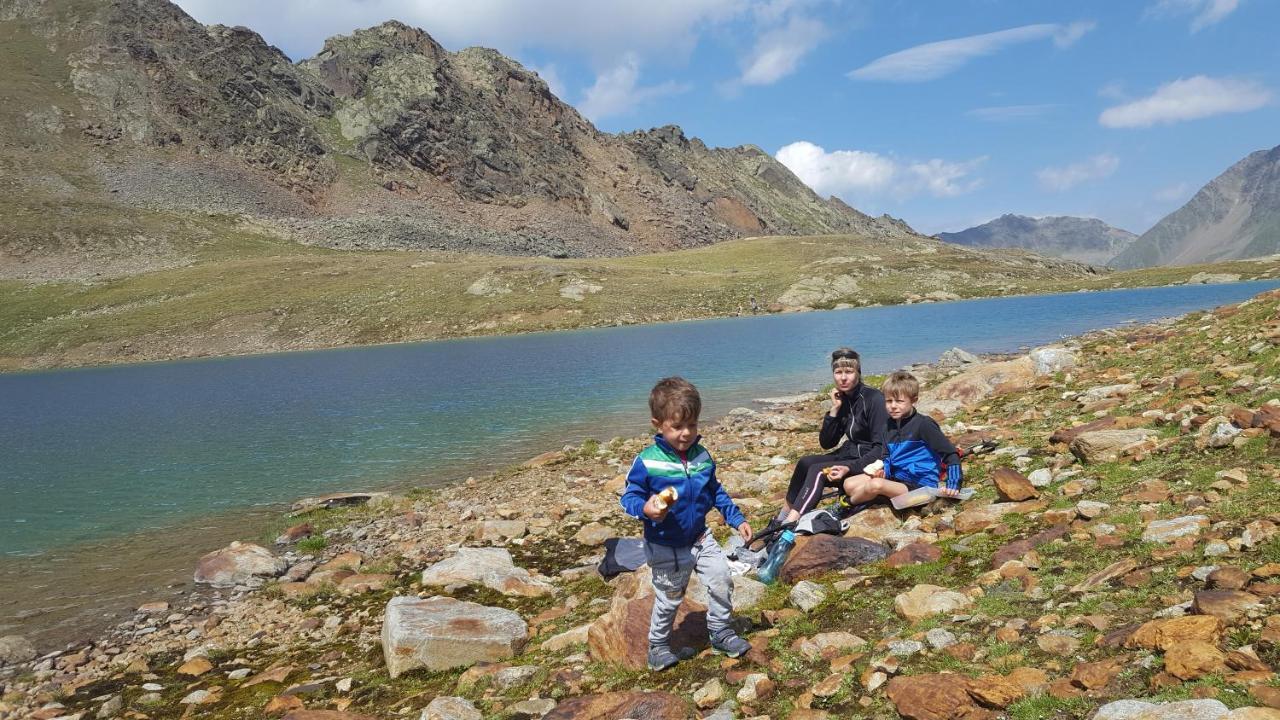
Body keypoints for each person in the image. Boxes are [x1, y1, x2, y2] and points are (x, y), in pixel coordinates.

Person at [620, 377, 754, 671]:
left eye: (692, 426)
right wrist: (645, 508)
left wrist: (735, 518)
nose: (686, 434)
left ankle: (720, 631)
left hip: (699, 537)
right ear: (658, 424)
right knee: (670, 598)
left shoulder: (702, 456)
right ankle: (657, 646)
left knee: (721, 578)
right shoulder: (648, 461)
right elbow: (628, 497)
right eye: (677, 427)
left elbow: (715, 490)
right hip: (665, 544)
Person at [769, 348, 887, 528]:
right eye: (838, 372)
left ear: (858, 372)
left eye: (849, 372)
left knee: (818, 470)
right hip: (850, 452)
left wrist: (849, 467)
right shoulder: (844, 399)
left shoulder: (873, 399)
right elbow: (827, 443)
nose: (843, 378)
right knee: (805, 463)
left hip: (868, 460)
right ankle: (781, 517)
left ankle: (789, 523)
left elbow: (880, 449)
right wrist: (834, 411)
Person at [841, 370, 963, 503]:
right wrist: (883, 472)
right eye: (888, 401)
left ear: (914, 400)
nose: (893, 406)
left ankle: (846, 505)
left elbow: (950, 454)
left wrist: (953, 484)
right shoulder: (887, 426)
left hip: (921, 485)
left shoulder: (923, 424)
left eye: (899, 401)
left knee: (876, 485)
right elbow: (886, 457)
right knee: (849, 484)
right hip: (897, 478)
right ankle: (875, 495)